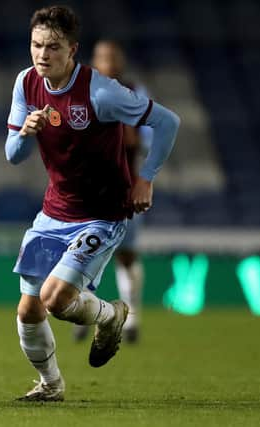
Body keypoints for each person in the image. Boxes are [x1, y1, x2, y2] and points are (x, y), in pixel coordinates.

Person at [6, 5, 179, 401]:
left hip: (101, 216)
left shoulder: (101, 92)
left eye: (52, 47)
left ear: (72, 50)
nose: (42, 55)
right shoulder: (26, 83)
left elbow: (168, 122)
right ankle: (51, 385)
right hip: (53, 213)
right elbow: (13, 155)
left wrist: (145, 179)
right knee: (27, 312)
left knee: (56, 300)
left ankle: (112, 314)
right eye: (36, 45)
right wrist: (24, 134)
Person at [72, 39, 153, 344]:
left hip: (125, 188)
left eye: (112, 57)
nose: (108, 62)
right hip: (87, 190)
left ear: (120, 62)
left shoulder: (135, 93)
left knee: (127, 255)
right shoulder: (83, 92)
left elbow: (145, 138)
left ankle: (132, 318)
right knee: (85, 253)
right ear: (94, 60)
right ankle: (81, 312)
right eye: (102, 57)